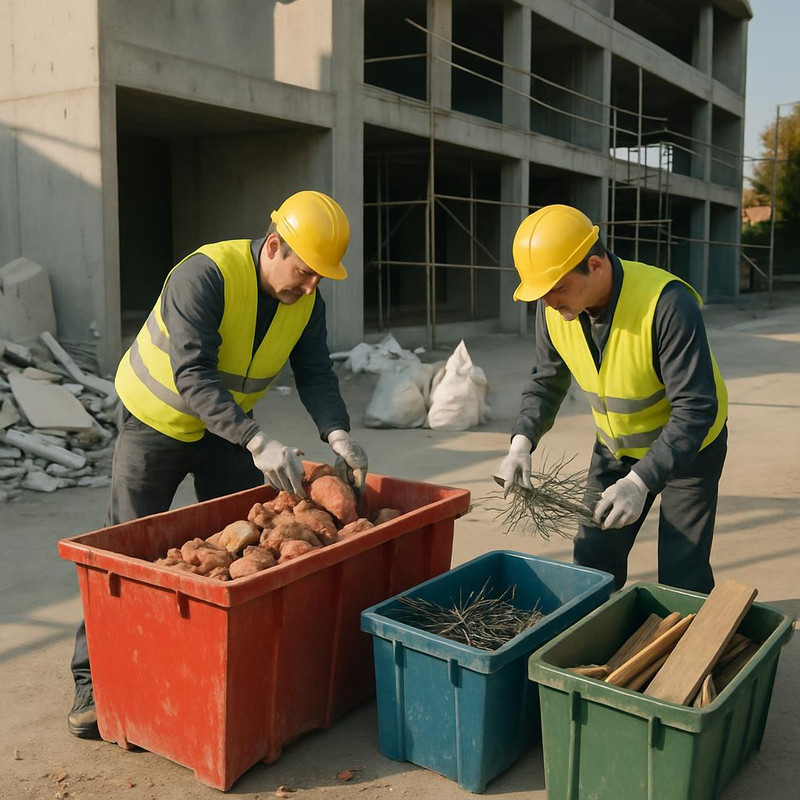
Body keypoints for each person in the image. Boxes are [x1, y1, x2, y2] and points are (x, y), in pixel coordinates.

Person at [67, 190, 368, 739]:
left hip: (226, 430)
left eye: (321, 278)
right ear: (273, 245)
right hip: (153, 424)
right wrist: (256, 439)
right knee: (121, 551)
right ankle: (93, 682)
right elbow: (193, 375)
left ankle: (211, 662)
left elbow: (317, 372)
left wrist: (337, 432)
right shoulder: (204, 275)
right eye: (304, 272)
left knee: (237, 546)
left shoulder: (307, 302)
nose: (311, 287)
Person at [496, 204, 728, 595]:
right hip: (616, 447)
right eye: (542, 292)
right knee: (593, 560)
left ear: (597, 265)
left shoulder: (666, 303)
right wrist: (521, 442)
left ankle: (696, 645)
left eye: (557, 287)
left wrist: (640, 483)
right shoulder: (553, 309)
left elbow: (696, 407)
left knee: (681, 570)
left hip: (690, 451)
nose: (549, 301)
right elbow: (547, 379)